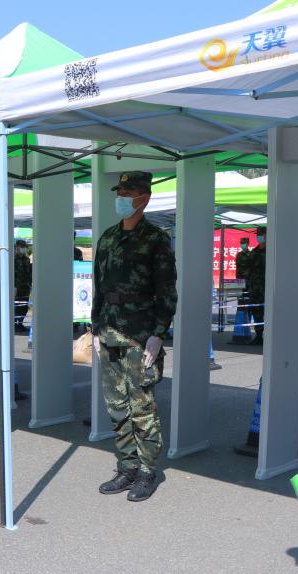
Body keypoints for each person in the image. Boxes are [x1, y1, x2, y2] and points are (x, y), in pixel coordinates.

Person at [91, 171, 177, 502]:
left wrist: (159, 333)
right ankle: (127, 466)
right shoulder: (108, 237)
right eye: (120, 193)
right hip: (109, 331)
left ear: (144, 198)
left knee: (141, 405)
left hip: (140, 335)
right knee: (116, 405)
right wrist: (95, 326)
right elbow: (99, 286)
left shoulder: (155, 239)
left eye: (128, 193)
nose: (122, 198)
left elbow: (167, 290)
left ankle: (146, 472)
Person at [246, 229, 267, 345]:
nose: (258, 237)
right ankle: (259, 336)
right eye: (257, 235)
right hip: (255, 288)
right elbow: (248, 270)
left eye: (261, 235)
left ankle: (270, 336)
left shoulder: (272, 250)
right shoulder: (254, 252)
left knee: (269, 312)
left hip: (267, 289)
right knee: (256, 312)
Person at [13, 239, 32, 333]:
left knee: (24, 306)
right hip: (16, 287)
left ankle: (20, 324)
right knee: (16, 306)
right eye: (22, 247)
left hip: (25, 286)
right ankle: (14, 324)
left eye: (24, 247)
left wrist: (30, 284)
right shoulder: (12, 259)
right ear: (17, 247)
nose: (23, 249)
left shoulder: (27, 259)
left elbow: (29, 273)